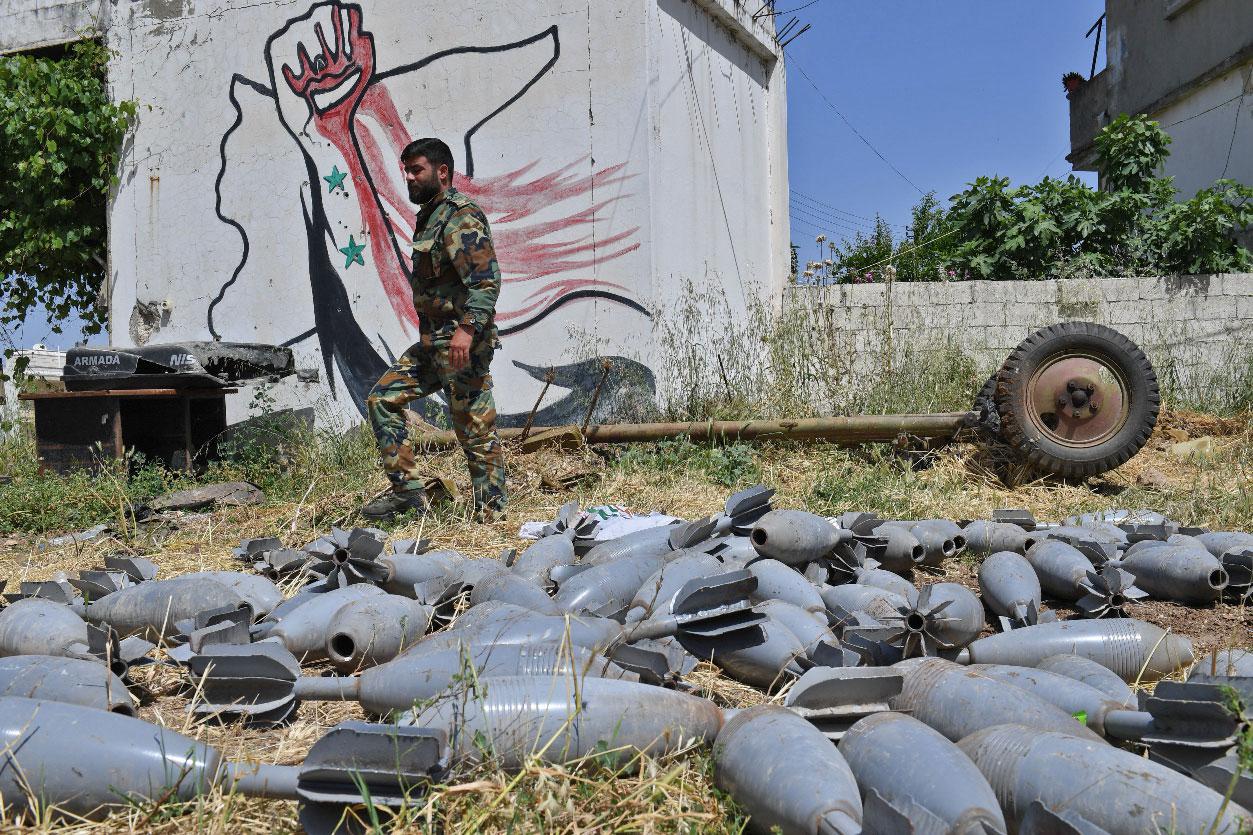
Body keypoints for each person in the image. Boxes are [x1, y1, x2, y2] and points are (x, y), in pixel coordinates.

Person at [361, 137, 507, 522]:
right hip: (433, 344)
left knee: (474, 429)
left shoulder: (461, 216)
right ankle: (409, 496)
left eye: (416, 169)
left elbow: (486, 282)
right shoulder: (432, 215)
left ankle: (492, 517)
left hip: (462, 344)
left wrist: (467, 330)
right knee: (383, 399)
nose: (408, 177)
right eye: (405, 170)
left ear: (442, 172)